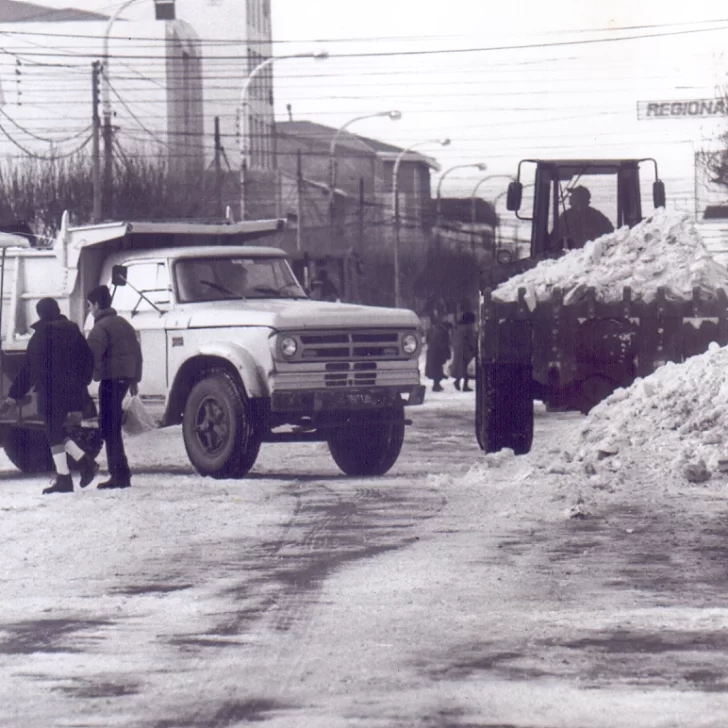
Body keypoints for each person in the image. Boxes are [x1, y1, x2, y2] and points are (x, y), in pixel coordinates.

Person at [4, 298, 97, 494]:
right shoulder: (73, 331)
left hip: (51, 391)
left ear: (40, 314)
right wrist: (83, 382)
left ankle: (68, 475)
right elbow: (87, 358)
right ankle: (82, 464)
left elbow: (30, 369)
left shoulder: (41, 336)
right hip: (73, 391)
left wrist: (14, 394)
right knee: (55, 431)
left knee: (53, 431)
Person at [86, 285, 143, 490]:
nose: (89, 310)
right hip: (125, 378)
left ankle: (119, 474)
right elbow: (137, 352)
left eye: (90, 306)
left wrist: (94, 376)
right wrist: (135, 379)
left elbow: (92, 356)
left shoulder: (100, 328)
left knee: (109, 427)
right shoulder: (123, 323)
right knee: (113, 426)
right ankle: (122, 472)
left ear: (98, 305)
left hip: (110, 379)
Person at [556, 185, 614, 249]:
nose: (570, 197)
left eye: (573, 195)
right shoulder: (597, 215)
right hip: (572, 256)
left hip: (587, 255)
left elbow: (611, 234)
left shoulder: (566, 216)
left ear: (578, 199)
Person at [425, 309, 451, 392]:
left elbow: (427, 339)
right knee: (437, 369)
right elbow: (444, 344)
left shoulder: (433, 329)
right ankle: (436, 385)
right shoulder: (443, 332)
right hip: (438, 353)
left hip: (432, 351)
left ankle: (437, 384)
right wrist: (447, 354)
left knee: (435, 368)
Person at [450, 311, 477, 392]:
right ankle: (464, 385)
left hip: (458, 349)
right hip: (466, 349)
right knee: (466, 367)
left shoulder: (457, 327)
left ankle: (458, 382)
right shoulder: (468, 327)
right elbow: (471, 339)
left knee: (461, 367)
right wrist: (475, 347)